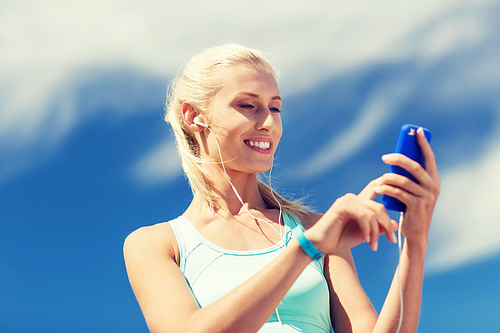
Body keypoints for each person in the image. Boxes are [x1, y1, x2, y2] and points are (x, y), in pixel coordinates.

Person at [123, 43, 440, 333]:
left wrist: (415, 242)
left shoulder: (317, 229)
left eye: (275, 108)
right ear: (194, 117)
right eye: (248, 105)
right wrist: (306, 249)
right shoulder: (154, 245)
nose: (268, 123)